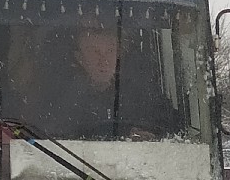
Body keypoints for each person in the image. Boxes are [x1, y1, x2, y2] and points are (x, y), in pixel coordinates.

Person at [16, 20, 180, 139]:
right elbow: (55, 134)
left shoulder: (142, 94)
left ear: (119, 56)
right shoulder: (59, 95)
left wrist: (150, 135)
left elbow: (173, 128)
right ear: (79, 58)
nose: (104, 60)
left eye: (109, 51)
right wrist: (123, 134)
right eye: (94, 52)